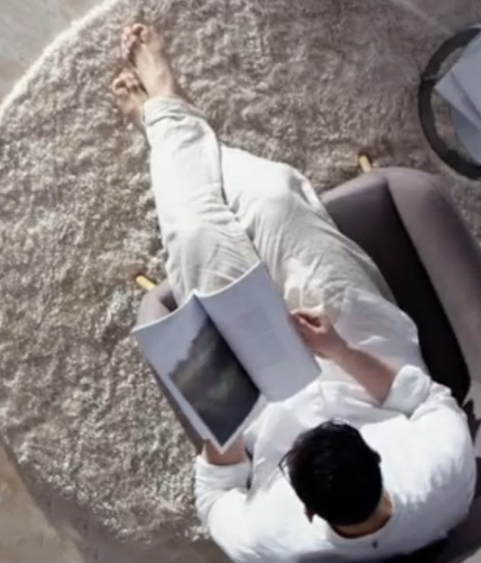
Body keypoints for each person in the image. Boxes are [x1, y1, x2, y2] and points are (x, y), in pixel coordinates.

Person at [114, 23, 477, 563]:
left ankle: (165, 118)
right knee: (275, 197)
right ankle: (168, 119)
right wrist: (339, 350)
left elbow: (215, 497)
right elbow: (422, 399)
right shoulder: (445, 477)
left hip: (262, 399)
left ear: (308, 511)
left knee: (194, 233)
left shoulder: (276, 543)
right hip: (361, 348)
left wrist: (223, 416)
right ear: (379, 461)